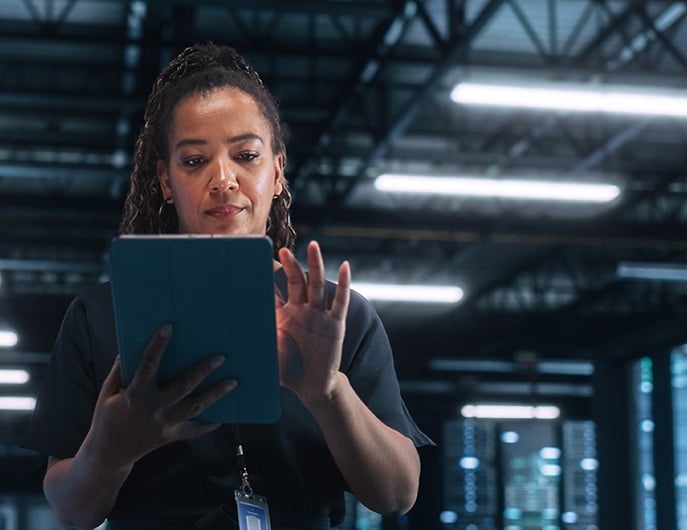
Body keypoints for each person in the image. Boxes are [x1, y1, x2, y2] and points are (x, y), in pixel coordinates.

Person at [22, 42, 434, 530]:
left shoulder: (336, 316)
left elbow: (397, 494)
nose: (223, 179)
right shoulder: (99, 316)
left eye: (246, 155)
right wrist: (109, 452)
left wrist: (328, 392)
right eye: (195, 161)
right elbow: (72, 510)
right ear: (166, 180)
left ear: (277, 171)